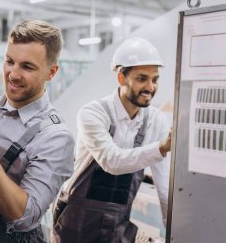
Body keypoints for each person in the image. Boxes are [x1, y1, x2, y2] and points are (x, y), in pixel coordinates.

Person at [0, 20, 75, 243]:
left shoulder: (55, 137)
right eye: (9, 61)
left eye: (27, 67)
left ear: (52, 72)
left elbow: (24, 215)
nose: (13, 74)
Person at [51, 37, 172, 243]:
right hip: (75, 223)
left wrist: (174, 232)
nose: (150, 87)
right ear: (122, 77)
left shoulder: (156, 121)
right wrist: (161, 147)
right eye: (142, 78)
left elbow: (164, 185)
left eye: (155, 79)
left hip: (116, 226)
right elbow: (112, 161)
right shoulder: (93, 113)